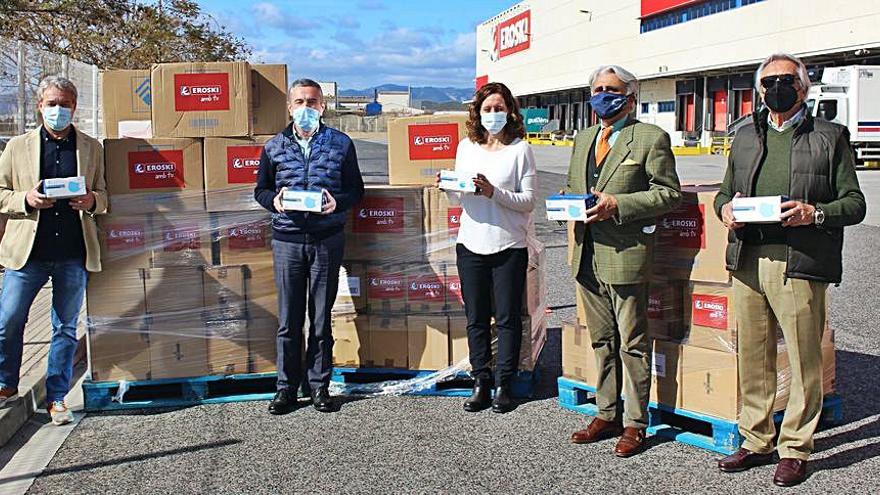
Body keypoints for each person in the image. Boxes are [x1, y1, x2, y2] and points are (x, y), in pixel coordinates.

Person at [715, 53, 865, 487]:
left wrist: (814, 213)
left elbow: (855, 203)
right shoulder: (743, 135)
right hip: (747, 258)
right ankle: (756, 438)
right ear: (759, 90)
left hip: (798, 261)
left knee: (803, 357)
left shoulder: (830, 136)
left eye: (786, 80)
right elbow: (724, 192)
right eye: (768, 82)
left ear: (803, 86)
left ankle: (796, 446)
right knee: (754, 355)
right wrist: (726, 211)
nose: (776, 88)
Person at [566, 65, 681, 456]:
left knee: (632, 342)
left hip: (625, 255)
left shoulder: (650, 137)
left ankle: (635, 423)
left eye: (610, 89)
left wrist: (619, 205)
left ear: (630, 97)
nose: (602, 94)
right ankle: (607, 412)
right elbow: (573, 187)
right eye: (596, 88)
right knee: (601, 340)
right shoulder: (583, 139)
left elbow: (668, 194)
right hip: (586, 253)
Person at [0, 76, 108, 425]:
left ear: (74, 107)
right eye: (52, 103)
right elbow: (1, 192)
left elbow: (105, 196)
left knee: (64, 327)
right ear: (39, 105)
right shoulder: (17, 146)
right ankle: (6, 383)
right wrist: (26, 199)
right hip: (27, 252)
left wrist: (92, 200)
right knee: (9, 320)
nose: (58, 110)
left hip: (72, 252)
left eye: (65, 104)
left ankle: (57, 396)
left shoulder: (91, 148)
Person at [254, 78, 364, 414]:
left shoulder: (341, 144)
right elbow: (261, 190)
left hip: (326, 240)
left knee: (320, 318)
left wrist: (338, 202)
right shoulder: (274, 147)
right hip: (287, 240)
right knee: (288, 320)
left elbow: (356, 190)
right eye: (300, 102)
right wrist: (277, 201)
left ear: (322, 107)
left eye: (312, 102)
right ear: (289, 107)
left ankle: (319, 387)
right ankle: (286, 388)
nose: (306, 108)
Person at [442, 82, 537, 414]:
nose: (493, 115)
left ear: (510, 111)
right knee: (476, 318)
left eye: (499, 108)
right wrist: (448, 187)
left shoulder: (520, 150)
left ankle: (505, 383)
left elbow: (528, 202)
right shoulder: (466, 147)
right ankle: (481, 380)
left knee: (509, 318)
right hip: (471, 243)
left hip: (509, 245)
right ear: (477, 113)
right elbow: (458, 196)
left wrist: (493, 192)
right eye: (487, 109)